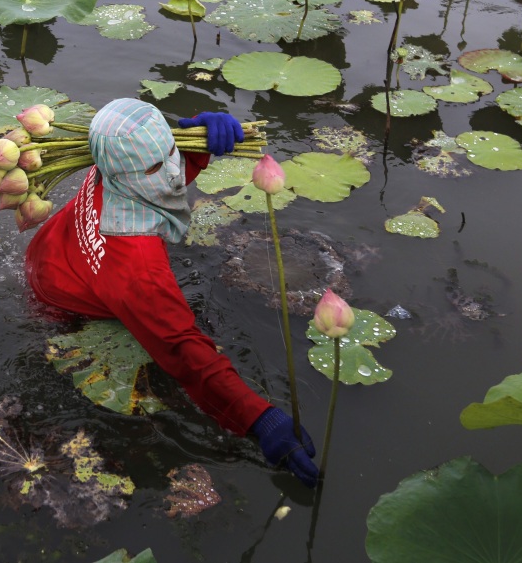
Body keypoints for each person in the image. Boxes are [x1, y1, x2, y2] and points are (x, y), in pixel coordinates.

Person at [24, 98, 317, 486]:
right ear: (129, 174)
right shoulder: (137, 267)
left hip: (50, 252)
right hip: (62, 305)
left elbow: (164, 167)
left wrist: (202, 133)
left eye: (172, 152)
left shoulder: (111, 162)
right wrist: (261, 420)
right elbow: (182, 349)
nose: (175, 172)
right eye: (158, 165)